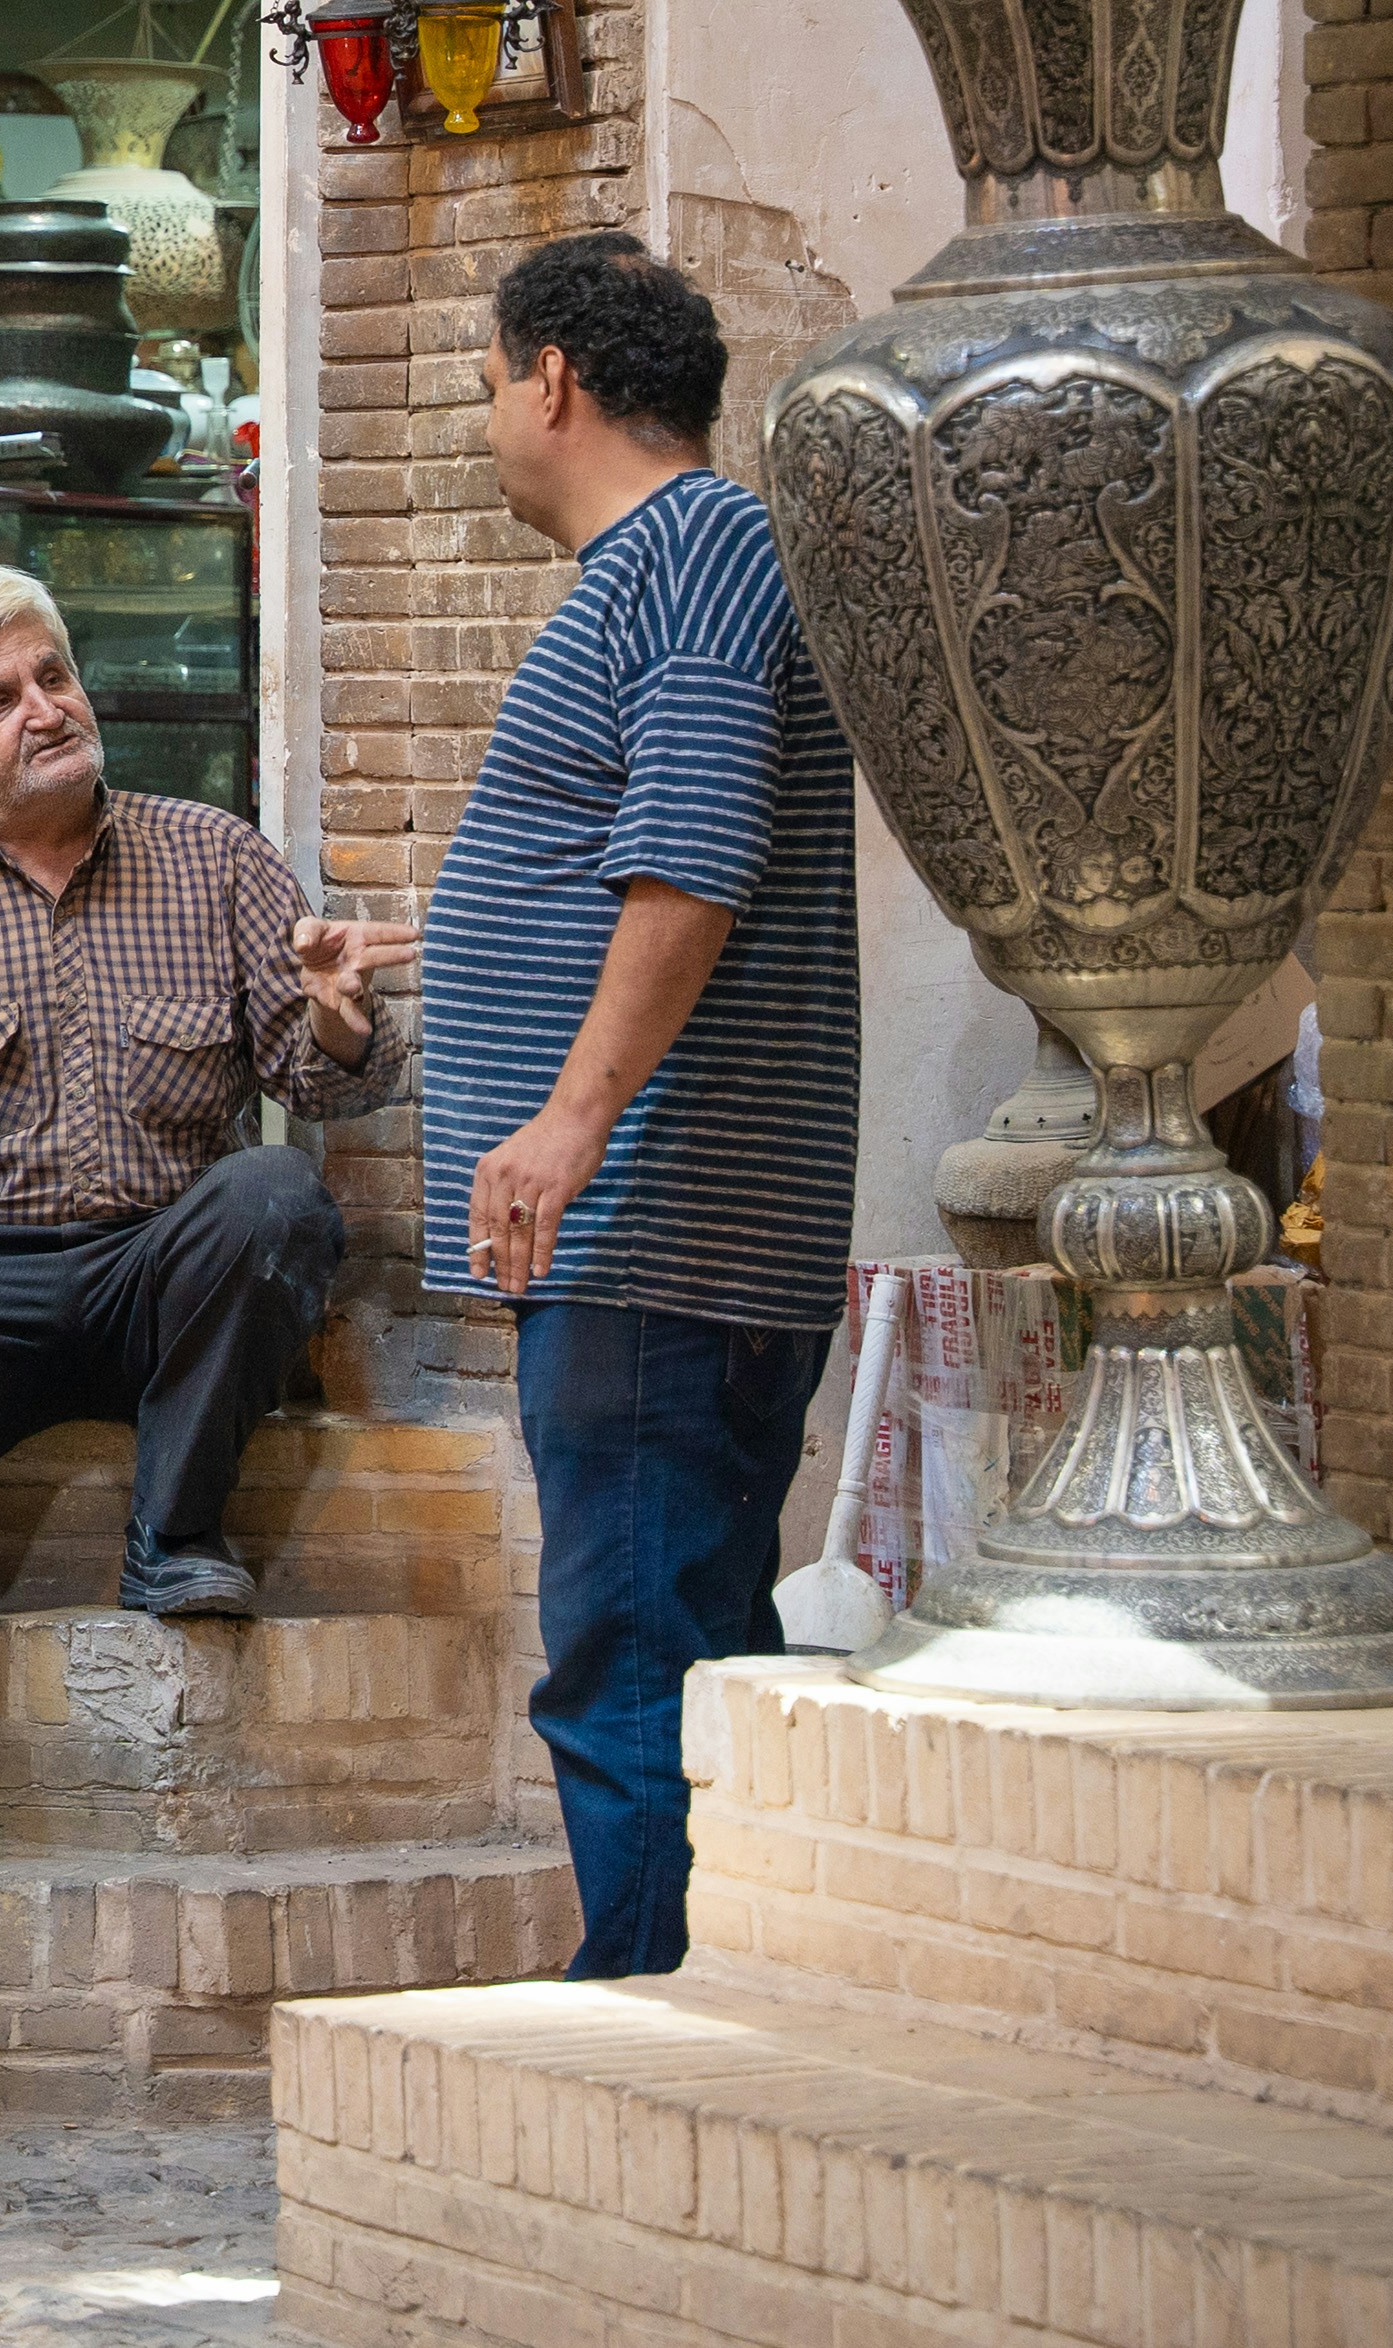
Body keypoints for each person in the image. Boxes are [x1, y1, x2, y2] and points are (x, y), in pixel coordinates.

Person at [0, 565, 419, 1878]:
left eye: (52, 678)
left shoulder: (212, 855)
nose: (43, 710)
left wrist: (340, 1014)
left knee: (273, 1193)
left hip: (161, 1271)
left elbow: (318, 1080)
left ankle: (170, 1533)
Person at [421, 229, 858, 1979]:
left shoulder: (687, 553)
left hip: (654, 1241)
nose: (483, 417)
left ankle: (648, 2021)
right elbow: (633, 856)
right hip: (659, 1241)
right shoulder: (691, 563)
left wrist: (569, 1119)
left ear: (550, 380)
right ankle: (697, 1996)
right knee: (680, 1649)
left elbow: (688, 865)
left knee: (627, 1669)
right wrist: (419, 945)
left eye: (481, 379)